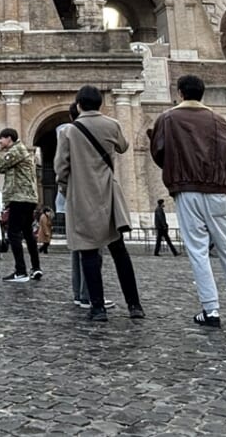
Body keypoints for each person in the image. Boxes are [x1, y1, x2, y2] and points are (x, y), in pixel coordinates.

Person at [150, 74, 226, 327]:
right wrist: (221, 172)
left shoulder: (167, 119)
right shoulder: (218, 120)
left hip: (186, 190)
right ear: (202, 94)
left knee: (198, 251)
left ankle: (211, 311)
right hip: (217, 190)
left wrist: (176, 170)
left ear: (180, 92)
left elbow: (158, 153)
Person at [57, 85, 144, 322]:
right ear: (101, 104)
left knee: (89, 252)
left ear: (78, 105)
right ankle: (134, 305)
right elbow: (124, 147)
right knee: (119, 251)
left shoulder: (69, 132)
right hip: (108, 194)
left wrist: (68, 189)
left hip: (83, 196)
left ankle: (97, 308)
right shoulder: (112, 124)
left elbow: (60, 169)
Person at [0, 127, 43, 283]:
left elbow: (0, 166)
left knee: (13, 233)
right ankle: (36, 268)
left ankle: (20, 271)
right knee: (28, 233)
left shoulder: (16, 150)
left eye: (1, 139)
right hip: (28, 198)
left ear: (9, 138)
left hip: (20, 197)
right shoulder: (21, 150)